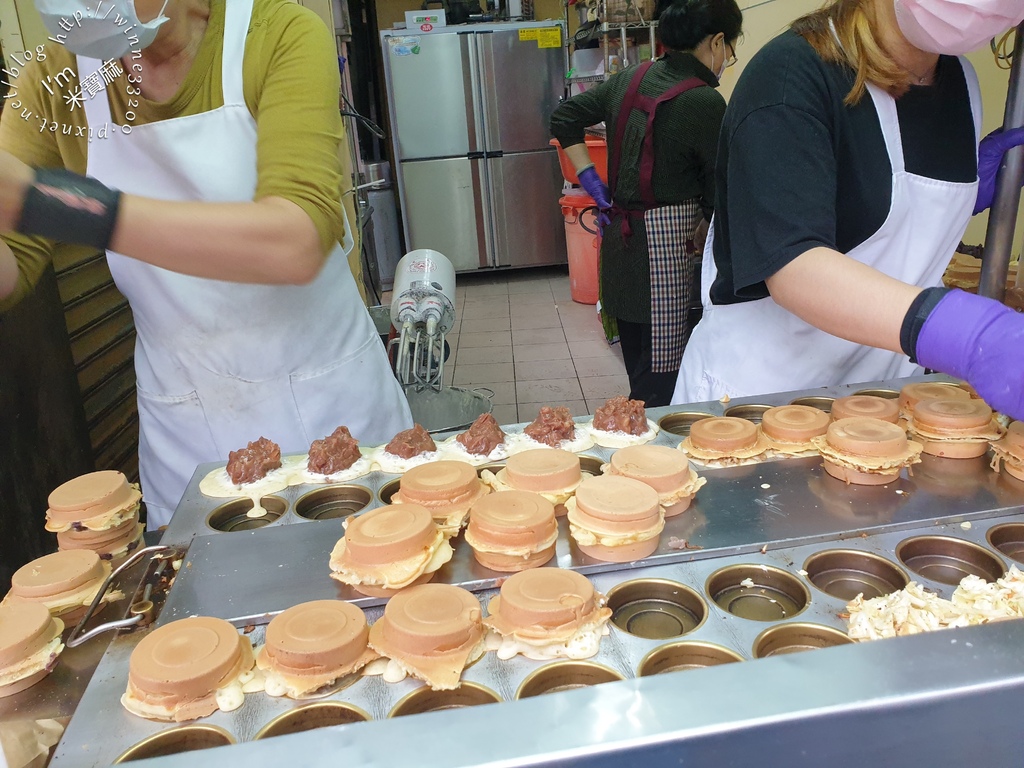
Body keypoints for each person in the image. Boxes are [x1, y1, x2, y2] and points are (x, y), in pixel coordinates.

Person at [0, 0, 413, 529]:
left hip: (334, 416)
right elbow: (12, 267)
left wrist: (69, 205)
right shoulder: (53, 81)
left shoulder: (277, 34)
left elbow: (296, 241)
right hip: (189, 432)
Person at [670, 0, 1024, 421]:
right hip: (765, 402)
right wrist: (962, 331)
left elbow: (886, 235)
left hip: (881, 400)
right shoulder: (790, 75)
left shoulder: (961, 81)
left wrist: (968, 196)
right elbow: (793, 269)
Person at [550, 0, 743, 407]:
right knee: (665, 390)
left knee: (640, 374)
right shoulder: (705, 103)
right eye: (729, 49)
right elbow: (722, 191)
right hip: (668, 267)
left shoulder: (630, 79)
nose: (726, 59)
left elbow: (564, 118)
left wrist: (593, 182)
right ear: (717, 41)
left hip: (622, 256)